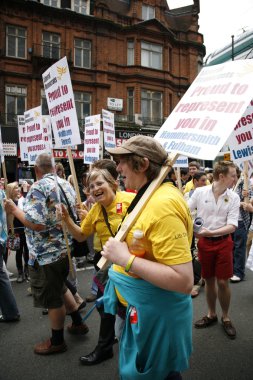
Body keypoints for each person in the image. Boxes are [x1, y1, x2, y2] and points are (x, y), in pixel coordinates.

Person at [101, 135, 193, 380]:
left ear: (142, 165)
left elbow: (184, 281)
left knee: (158, 374)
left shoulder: (162, 206)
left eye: (121, 162)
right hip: (141, 310)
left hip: (155, 315)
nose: (117, 168)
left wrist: (125, 259)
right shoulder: (149, 194)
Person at [4, 153, 89, 355]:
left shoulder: (38, 187)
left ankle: (57, 341)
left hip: (47, 253)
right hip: (64, 248)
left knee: (53, 298)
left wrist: (14, 210)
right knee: (60, 287)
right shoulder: (64, 183)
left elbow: (37, 223)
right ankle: (78, 323)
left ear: (36, 169)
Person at [61, 163, 135, 366]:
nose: (94, 189)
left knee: (134, 308)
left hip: (134, 266)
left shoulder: (131, 200)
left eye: (99, 183)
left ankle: (138, 347)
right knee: (107, 307)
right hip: (108, 267)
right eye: (91, 186)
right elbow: (80, 235)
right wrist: (67, 220)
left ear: (112, 183)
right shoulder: (94, 211)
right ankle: (105, 348)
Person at [188, 161, 240, 340]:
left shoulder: (234, 197)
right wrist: (193, 230)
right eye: (233, 175)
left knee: (223, 282)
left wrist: (211, 232)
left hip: (224, 242)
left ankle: (226, 317)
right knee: (209, 281)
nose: (236, 178)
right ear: (222, 176)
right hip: (204, 244)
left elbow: (232, 225)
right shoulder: (200, 192)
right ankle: (211, 314)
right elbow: (185, 211)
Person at [0, 188, 20, 322]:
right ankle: (10, 311)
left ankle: (11, 312)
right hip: (2, 237)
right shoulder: (1, 192)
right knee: (1, 275)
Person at [6, 182, 29, 283]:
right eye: (15, 188)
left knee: (27, 250)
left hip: (26, 228)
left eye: (18, 187)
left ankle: (27, 270)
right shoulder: (10, 202)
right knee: (19, 252)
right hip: (17, 230)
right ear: (11, 191)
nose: (18, 189)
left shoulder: (22, 200)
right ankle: (20, 272)